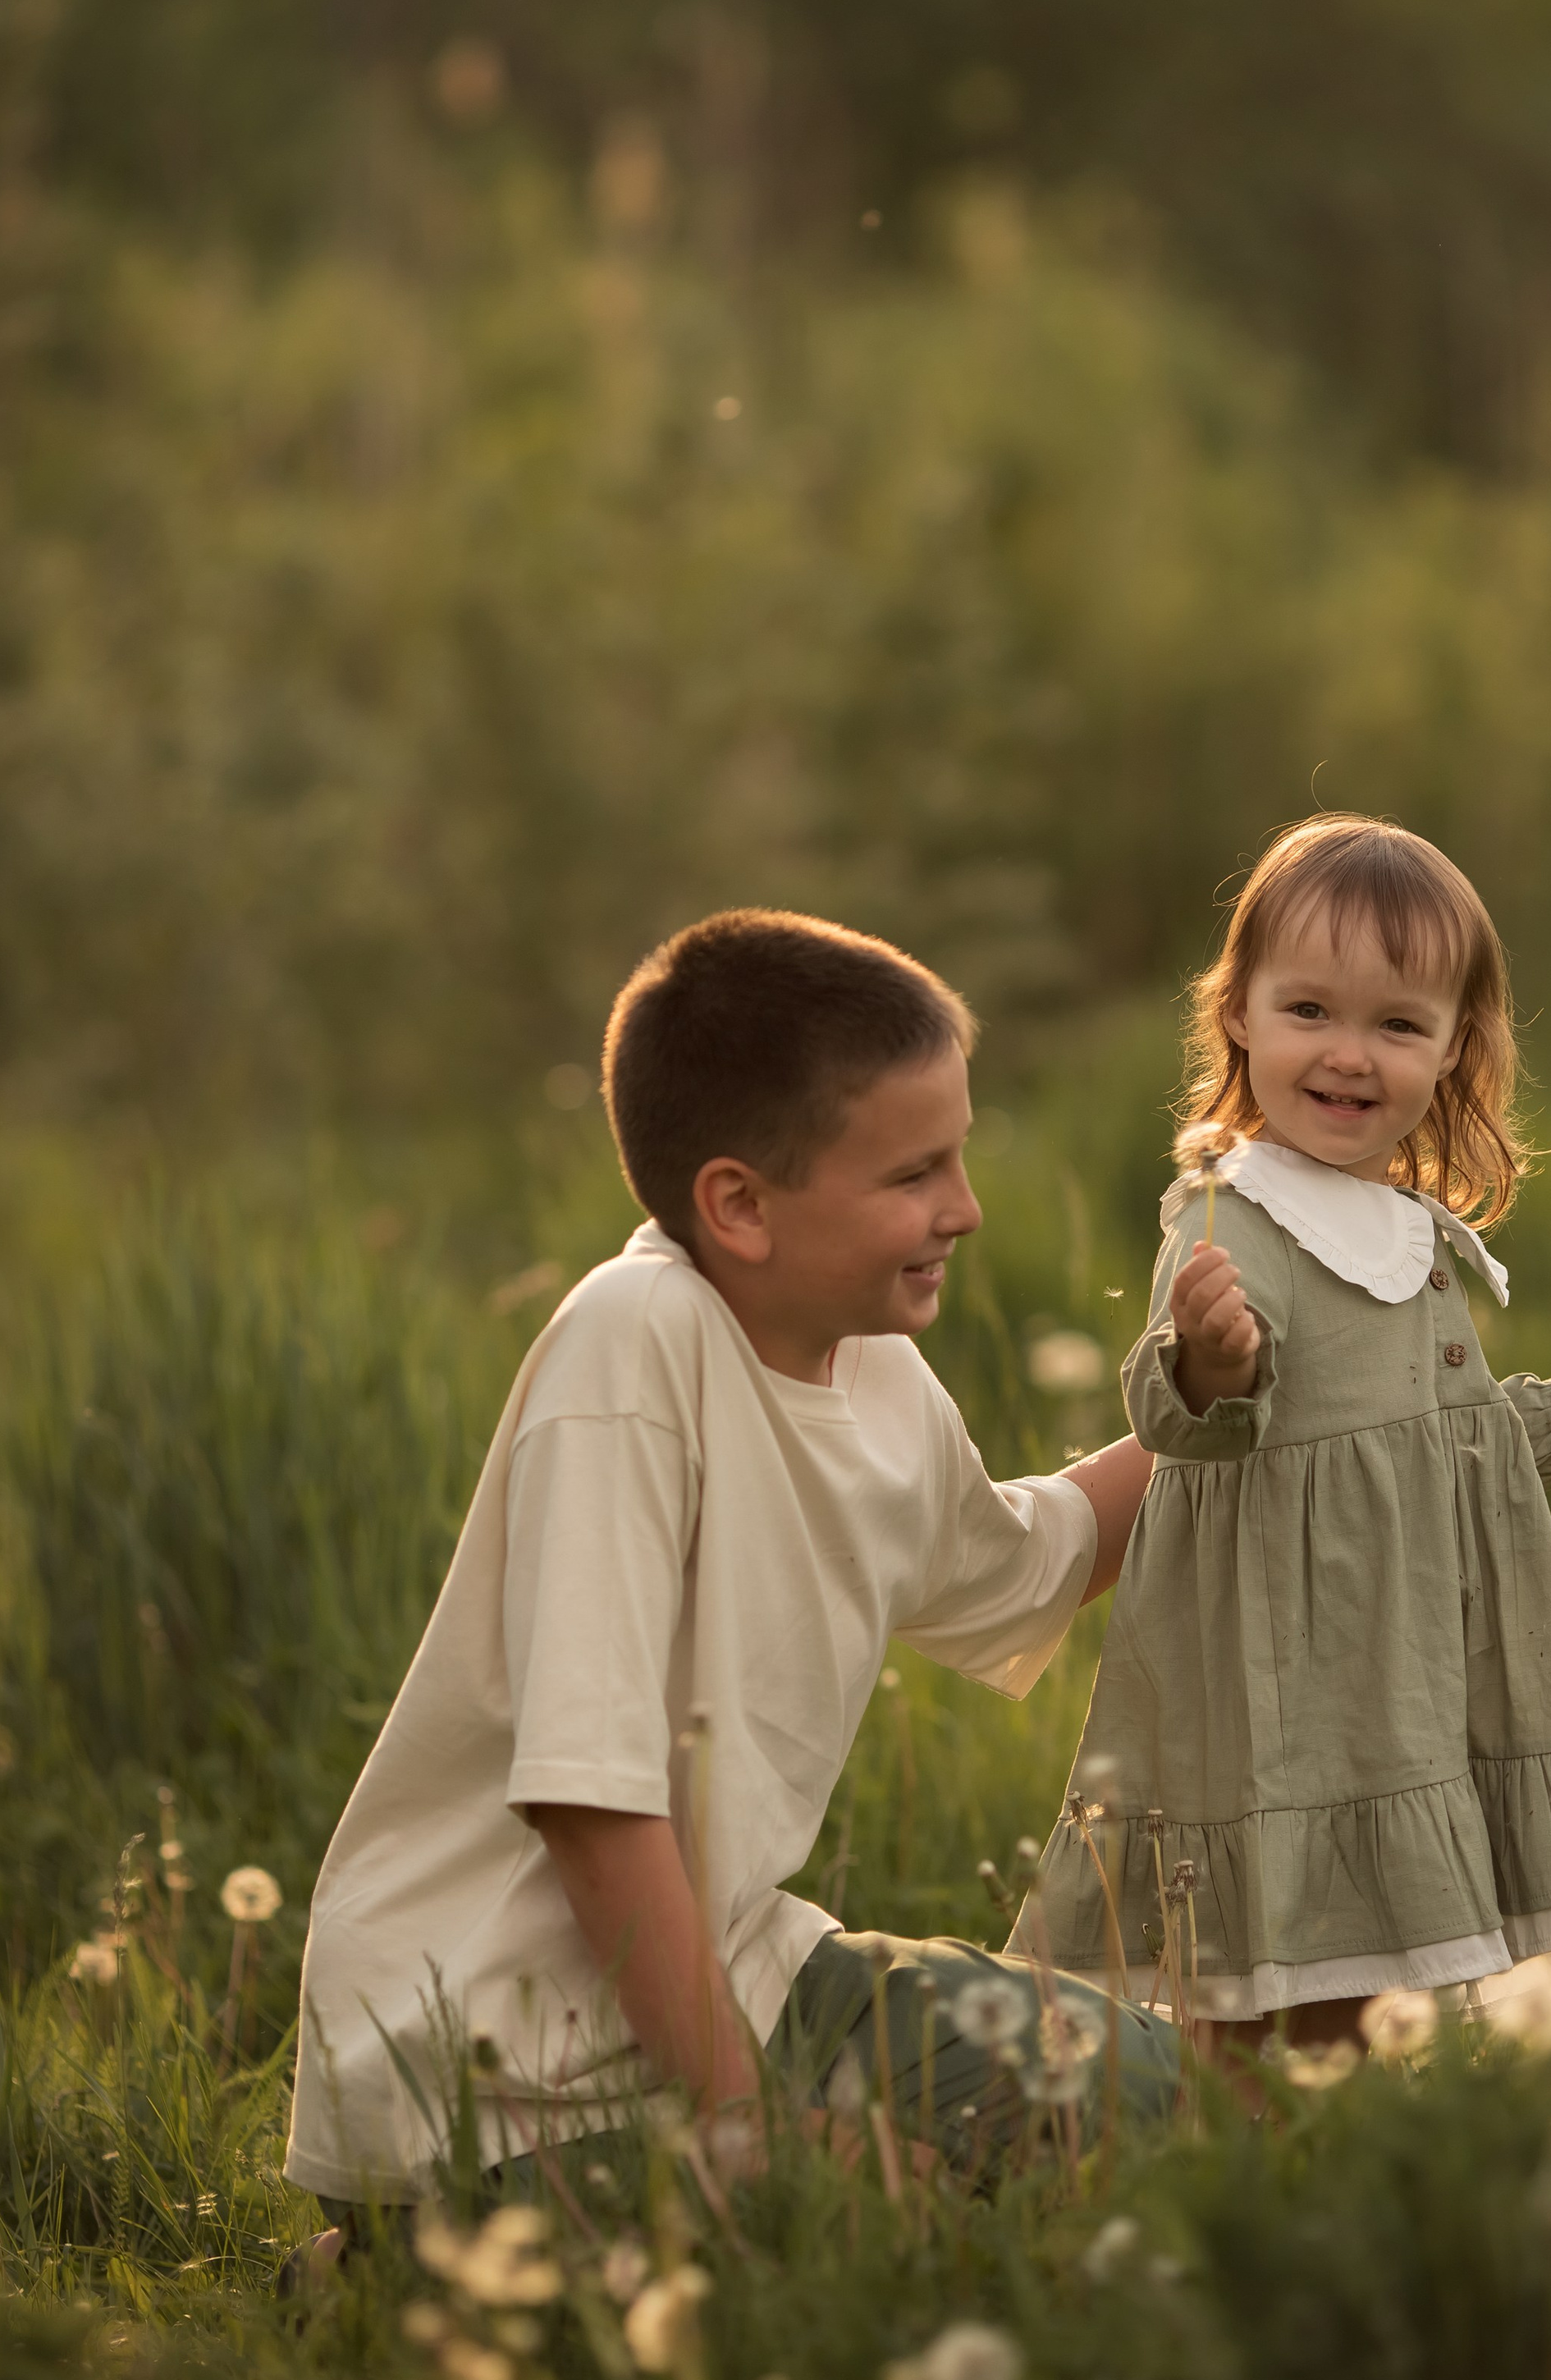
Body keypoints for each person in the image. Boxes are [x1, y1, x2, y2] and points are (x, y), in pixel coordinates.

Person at [285, 910, 1176, 2217]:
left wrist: (1212, 1415)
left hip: (740, 1968)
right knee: (879, 2229)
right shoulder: (631, 1352)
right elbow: (593, 1806)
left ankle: (778, 2167)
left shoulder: (870, 1360)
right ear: (740, 1205)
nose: (965, 1210)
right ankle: (401, 2254)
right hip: (494, 2071)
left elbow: (1027, 1559)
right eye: (914, 1174)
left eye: (959, 1159)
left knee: (1142, 2097)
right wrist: (754, 2139)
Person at [1013, 816, 1551, 2052]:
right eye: (1311, 1011)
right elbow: (1187, 1425)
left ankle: (1326, 2160)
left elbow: (1432, 1441)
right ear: (1238, 1011)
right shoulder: (1231, 1217)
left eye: (1398, 1024)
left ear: (1456, 1046)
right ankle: (1231, 2159)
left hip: (1399, 1669)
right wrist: (1210, 1358)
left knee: (1367, 1977)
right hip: (1286, 1677)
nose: (1350, 1055)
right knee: (1263, 1955)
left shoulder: (1406, 1231)